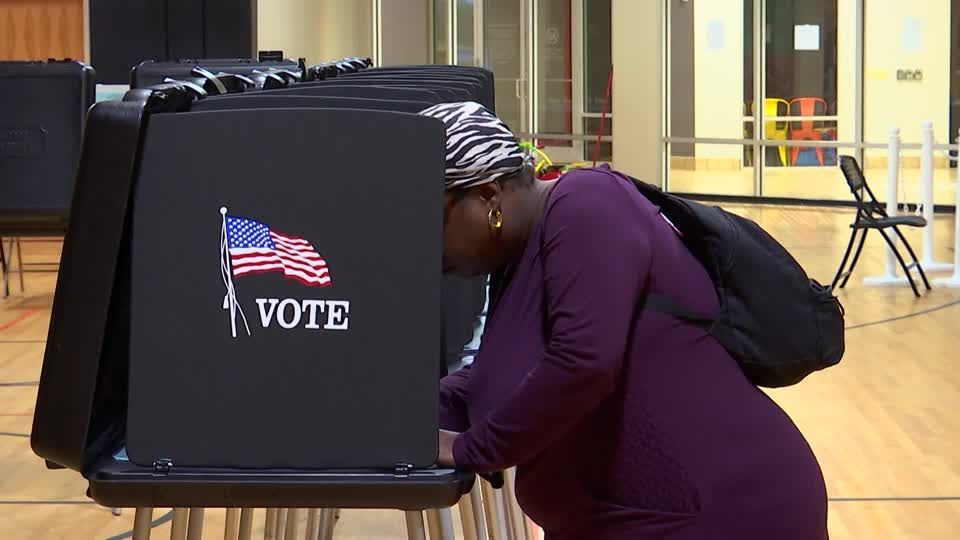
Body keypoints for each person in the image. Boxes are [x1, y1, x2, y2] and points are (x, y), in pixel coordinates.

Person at [420, 101, 829, 540]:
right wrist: (388, 418)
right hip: (626, 517)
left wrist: (472, 450)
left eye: (430, 221)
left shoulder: (588, 205)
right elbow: (490, 380)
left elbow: (584, 362)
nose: (424, 246)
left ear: (486, 196)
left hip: (721, 512)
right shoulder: (517, 257)